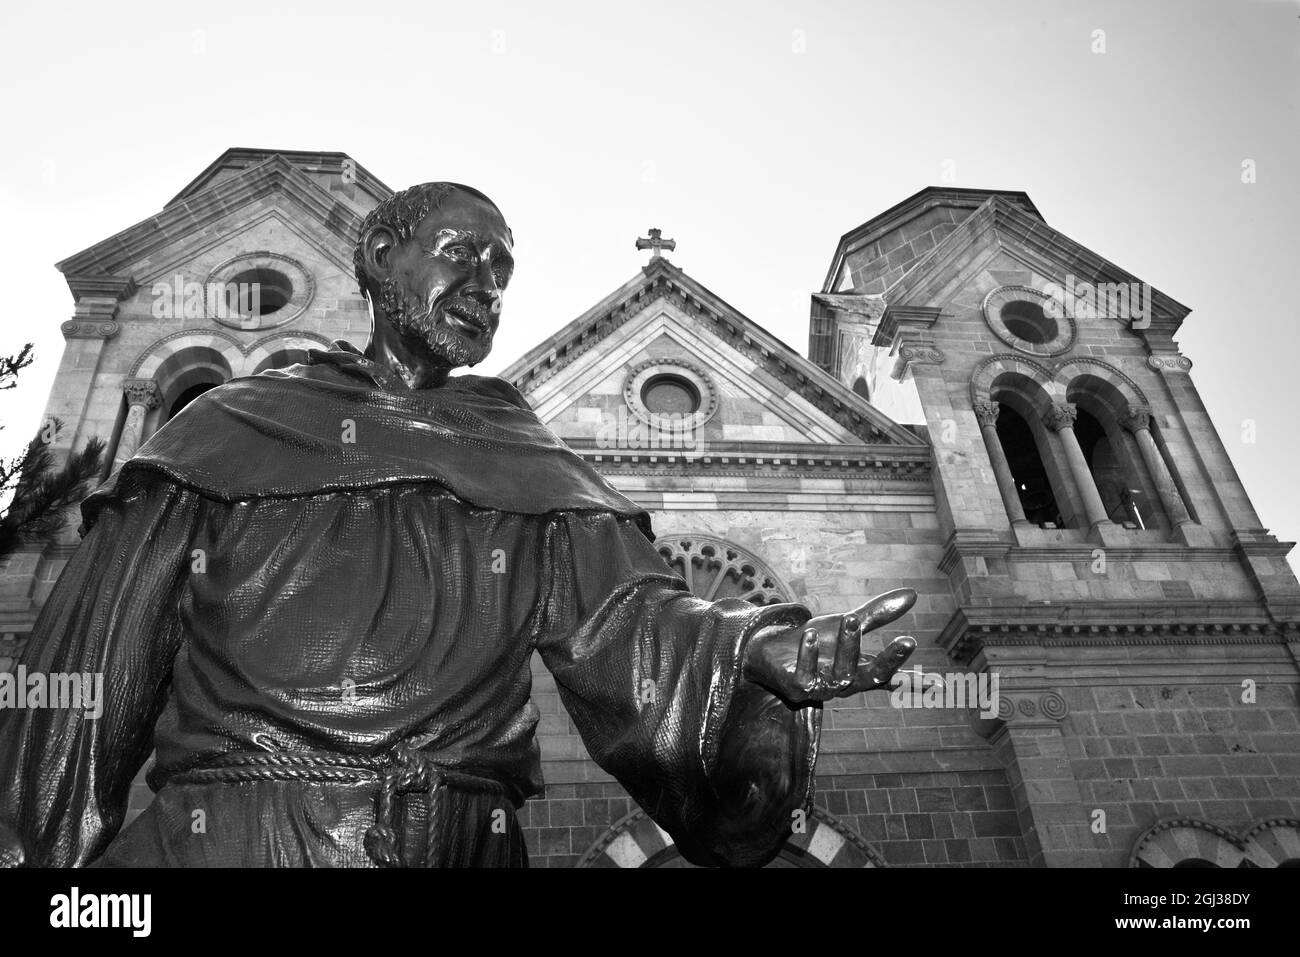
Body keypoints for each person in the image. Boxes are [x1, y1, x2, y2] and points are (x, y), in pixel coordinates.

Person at [0, 183, 916, 868]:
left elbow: (629, 618)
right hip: (248, 833)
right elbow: (90, 671)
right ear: (377, 256)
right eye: (460, 254)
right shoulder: (222, 428)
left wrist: (749, 652)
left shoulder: (516, 445)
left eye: (502, 270)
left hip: (469, 843)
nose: (486, 285)